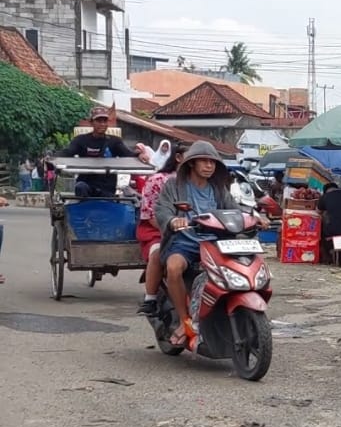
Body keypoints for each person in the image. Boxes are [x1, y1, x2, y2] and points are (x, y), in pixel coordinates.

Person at [154, 141, 242, 347]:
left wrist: (254, 217)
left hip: (214, 243)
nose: (209, 165)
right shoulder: (173, 185)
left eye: (212, 162)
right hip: (184, 242)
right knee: (174, 267)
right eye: (203, 161)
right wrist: (172, 221)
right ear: (191, 163)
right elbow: (162, 210)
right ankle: (185, 321)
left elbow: (235, 210)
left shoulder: (218, 189)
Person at [136, 144, 187, 316]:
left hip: (193, 231)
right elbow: (151, 214)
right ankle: (150, 298)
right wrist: (172, 226)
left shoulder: (199, 182)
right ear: (179, 158)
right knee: (158, 253)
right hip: (157, 230)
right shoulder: (157, 180)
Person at [62, 106, 140, 197]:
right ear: (91, 123)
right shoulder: (80, 140)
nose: (102, 124)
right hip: (86, 185)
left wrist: (139, 154)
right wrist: (52, 157)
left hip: (107, 188)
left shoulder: (115, 141)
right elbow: (67, 152)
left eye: (105, 121)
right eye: (99, 121)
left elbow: (129, 155)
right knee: (80, 187)